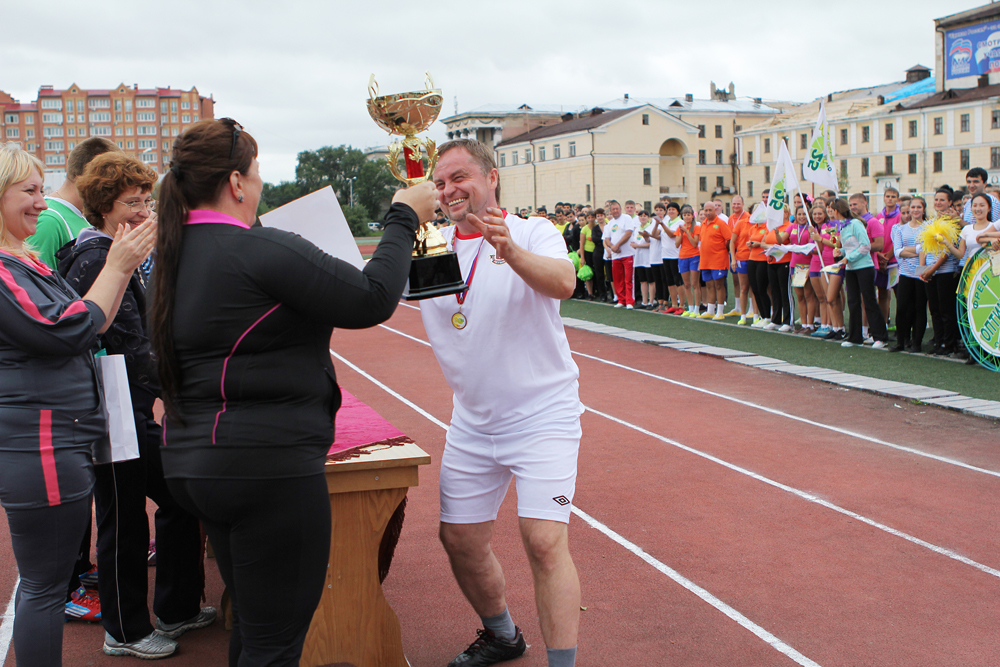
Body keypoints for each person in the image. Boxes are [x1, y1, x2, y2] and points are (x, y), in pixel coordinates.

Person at [147, 119, 436, 665]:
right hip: (268, 468)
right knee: (276, 643)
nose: (258, 187)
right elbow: (373, 298)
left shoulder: (169, 258)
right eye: (256, 175)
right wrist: (403, 216)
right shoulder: (259, 249)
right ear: (236, 183)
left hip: (193, 462)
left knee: (256, 628)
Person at [424, 139, 582, 667]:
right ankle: (502, 636)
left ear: (492, 178)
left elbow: (564, 283)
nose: (448, 190)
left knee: (542, 542)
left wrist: (508, 249)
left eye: (459, 177)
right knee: (459, 541)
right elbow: (367, 293)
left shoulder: (534, 229)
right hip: (471, 422)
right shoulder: (432, 248)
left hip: (543, 415)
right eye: (439, 182)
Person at [0, 142, 155, 667]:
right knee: (45, 587)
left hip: (56, 438)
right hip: (40, 444)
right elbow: (70, 329)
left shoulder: (25, 261)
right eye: (29, 191)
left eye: (43, 190)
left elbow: (92, 321)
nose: (43, 203)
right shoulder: (3, 270)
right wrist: (119, 263)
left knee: (46, 582)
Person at [59, 153, 210, 658]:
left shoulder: (117, 249)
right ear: (103, 206)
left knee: (177, 498)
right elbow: (103, 337)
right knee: (122, 519)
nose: (143, 212)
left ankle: (177, 606)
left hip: (134, 404)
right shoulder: (93, 256)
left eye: (147, 201)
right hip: (110, 409)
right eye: (131, 203)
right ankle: (123, 631)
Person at [27, 137, 121, 270]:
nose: (117, 191)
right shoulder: (49, 221)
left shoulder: (83, 215)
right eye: (112, 182)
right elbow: (39, 285)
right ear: (88, 176)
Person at [828, 198, 887, 348]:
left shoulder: (855, 224)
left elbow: (865, 246)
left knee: (869, 300)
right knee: (852, 302)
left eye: (831, 209)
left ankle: (879, 337)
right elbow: (849, 247)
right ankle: (855, 337)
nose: (830, 212)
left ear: (837, 210)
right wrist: (840, 251)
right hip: (851, 268)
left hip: (864, 267)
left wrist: (848, 257)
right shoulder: (843, 227)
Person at [920, 186, 964, 355]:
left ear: (950, 202)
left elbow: (948, 251)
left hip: (945, 271)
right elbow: (923, 247)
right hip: (929, 272)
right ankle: (938, 342)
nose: (938, 203)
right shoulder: (930, 222)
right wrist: (923, 271)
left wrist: (933, 269)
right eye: (936, 199)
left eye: (942, 200)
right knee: (935, 310)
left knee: (946, 310)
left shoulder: (952, 223)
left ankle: (949, 343)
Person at [890, 196, 930, 353]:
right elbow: (898, 252)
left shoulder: (928, 227)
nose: (915, 210)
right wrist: (918, 249)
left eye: (918, 207)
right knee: (902, 308)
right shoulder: (901, 229)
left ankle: (916, 343)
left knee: (919, 308)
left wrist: (911, 250)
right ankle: (901, 341)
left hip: (921, 273)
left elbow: (927, 248)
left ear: (923, 209)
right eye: (913, 207)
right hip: (905, 273)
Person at [696, 202, 731, 320]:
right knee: (709, 285)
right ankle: (710, 310)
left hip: (718, 260)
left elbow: (729, 239)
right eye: (706, 210)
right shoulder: (703, 224)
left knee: (719, 285)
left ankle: (720, 311)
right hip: (705, 260)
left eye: (710, 210)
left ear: (715, 210)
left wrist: (723, 251)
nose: (708, 213)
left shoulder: (721, 223)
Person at [606, 200, 635, 309]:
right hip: (616, 255)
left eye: (617, 208)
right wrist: (613, 247)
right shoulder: (610, 223)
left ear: (620, 209)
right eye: (613, 209)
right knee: (618, 279)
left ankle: (629, 301)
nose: (615, 211)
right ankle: (621, 299)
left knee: (628, 279)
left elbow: (628, 233)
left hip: (627, 253)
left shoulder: (627, 218)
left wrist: (617, 245)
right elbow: (607, 238)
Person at [677, 204, 702, 317]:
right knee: (686, 284)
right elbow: (677, 244)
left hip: (694, 256)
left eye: (689, 215)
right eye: (685, 215)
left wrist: (687, 232)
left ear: (692, 216)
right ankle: (690, 307)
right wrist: (681, 233)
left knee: (695, 284)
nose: (687, 217)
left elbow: (694, 243)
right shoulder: (680, 228)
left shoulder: (696, 228)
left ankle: (697, 308)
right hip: (683, 256)